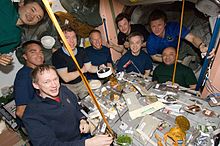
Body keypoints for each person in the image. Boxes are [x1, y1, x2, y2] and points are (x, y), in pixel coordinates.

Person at [22, 64, 113, 146]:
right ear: (36, 85)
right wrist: (87, 143)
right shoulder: (31, 115)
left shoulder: (63, 90)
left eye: (55, 79)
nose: (54, 85)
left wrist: (82, 119)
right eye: (47, 82)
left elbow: (77, 107)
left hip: (82, 137)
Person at [147, 9, 212, 62]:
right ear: (150, 27)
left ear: (165, 24)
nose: (157, 29)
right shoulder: (151, 41)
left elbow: (192, 38)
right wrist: (168, 60)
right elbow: (154, 57)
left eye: (159, 25)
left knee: (199, 55)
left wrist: (201, 45)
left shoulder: (173, 27)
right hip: (165, 56)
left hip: (181, 47)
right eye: (153, 26)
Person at [52, 25, 98, 99]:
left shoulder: (81, 50)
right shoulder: (57, 55)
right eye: (67, 38)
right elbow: (66, 77)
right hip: (68, 86)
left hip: (82, 82)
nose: (72, 41)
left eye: (73, 37)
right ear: (61, 40)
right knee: (74, 106)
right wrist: (82, 70)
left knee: (89, 102)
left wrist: (100, 68)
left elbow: (89, 68)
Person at [0, 0, 45, 66]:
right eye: (32, 10)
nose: (32, 16)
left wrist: (4, 59)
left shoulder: (17, 37)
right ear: (22, 3)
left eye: (38, 17)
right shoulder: (5, 4)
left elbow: (4, 54)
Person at [14, 40, 44, 120]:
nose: (39, 55)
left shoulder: (38, 71)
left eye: (40, 51)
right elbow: (20, 111)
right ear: (25, 56)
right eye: (33, 52)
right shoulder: (24, 76)